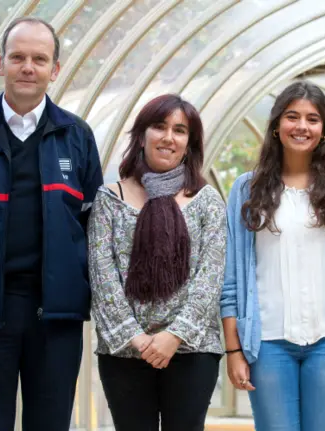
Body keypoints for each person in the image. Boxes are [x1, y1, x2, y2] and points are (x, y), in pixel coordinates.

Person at [0, 16, 103, 431]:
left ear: (54, 69)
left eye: (39, 59)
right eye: (18, 57)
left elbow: (96, 228)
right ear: (0, 64)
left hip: (56, 315)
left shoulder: (77, 136)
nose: (27, 67)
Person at [220, 81, 325, 431]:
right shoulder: (245, 191)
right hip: (266, 346)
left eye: (312, 119)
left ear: (324, 131)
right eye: (292, 117)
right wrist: (234, 352)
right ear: (277, 125)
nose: (302, 127)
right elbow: (230, 281)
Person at [88, 94, 226, 431]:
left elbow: (211, 278)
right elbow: (102, 277)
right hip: (124, 353)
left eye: (180, 130)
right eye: (159, 126)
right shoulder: (109, 199)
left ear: (189, 143)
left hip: (192, 350)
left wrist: (174, 336)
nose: (168, 137)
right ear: (142, 134)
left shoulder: (207, 201)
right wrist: (136, 339)